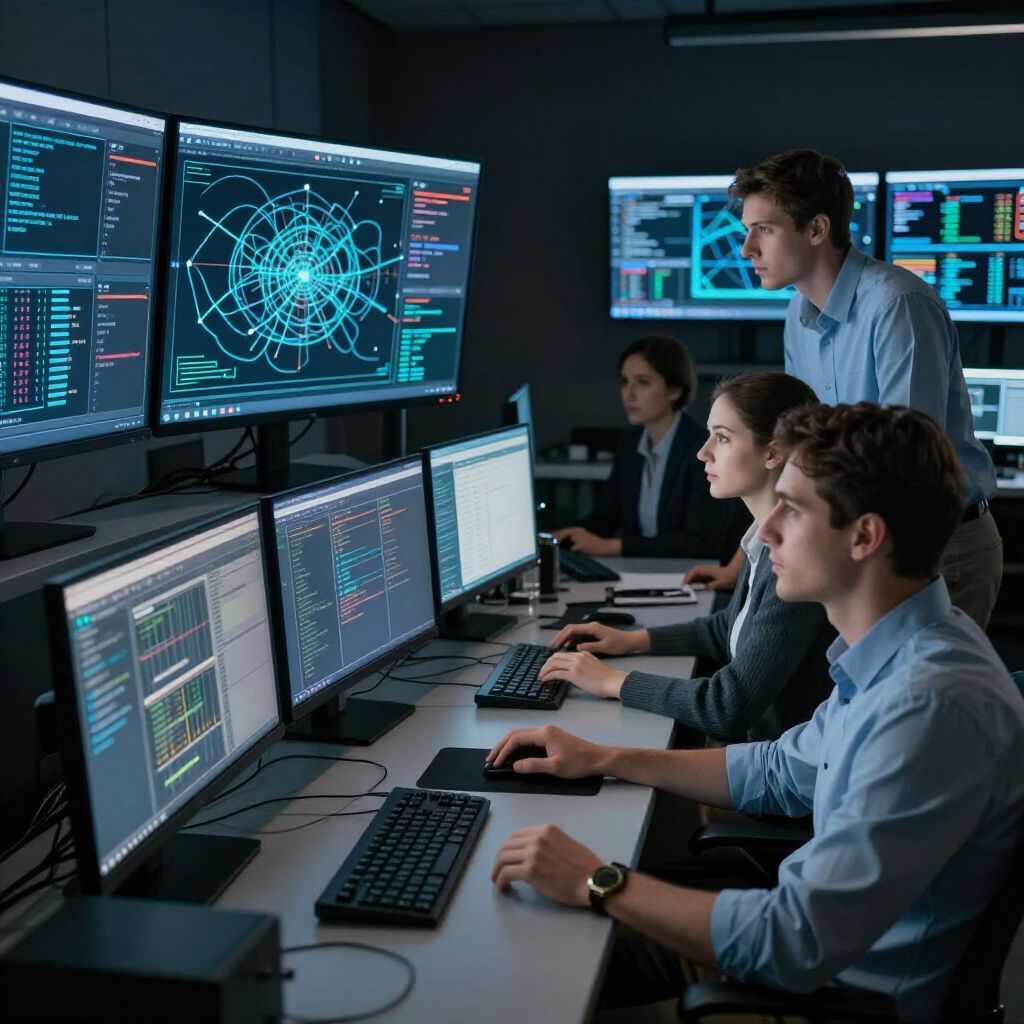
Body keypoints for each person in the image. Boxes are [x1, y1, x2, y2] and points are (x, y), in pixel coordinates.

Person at [488, 402, 1024, 1022]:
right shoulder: (897, 649)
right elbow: (774, 769)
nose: (765, 534)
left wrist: (598, 880)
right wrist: (603, 758)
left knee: (530, 952)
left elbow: (791, 941)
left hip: (829, 996)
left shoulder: (927, 705)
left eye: (791, 510)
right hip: (810, 946)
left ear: (864, 536)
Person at [723, 148, 1002, 628]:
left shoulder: (898, 305)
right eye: (746, 231)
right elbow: (806, 448)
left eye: (763, 230)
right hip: (860, 542)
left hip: (930, 548)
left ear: (816, 229)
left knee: (914, 699)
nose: (746, 249)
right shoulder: (797, 316)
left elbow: (909, 463)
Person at [541, 372, 833, 742]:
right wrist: (630, 640)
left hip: (775, 779)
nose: (702, 451)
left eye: (722, 438)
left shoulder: (794, 562)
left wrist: (612, 681)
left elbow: (726, 707)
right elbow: (728, 626)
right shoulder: (762, 539)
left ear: (773, 452)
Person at [554, 335, 746, 559]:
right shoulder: (630, 443)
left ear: (674, 390)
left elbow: (698, 542)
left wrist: (614, 547)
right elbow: (605, 517)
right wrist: (562, 536)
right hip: (644, 572)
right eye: (625, 382)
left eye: (642, 382)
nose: (629, 393)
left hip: (693, 577)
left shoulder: (701, 449)